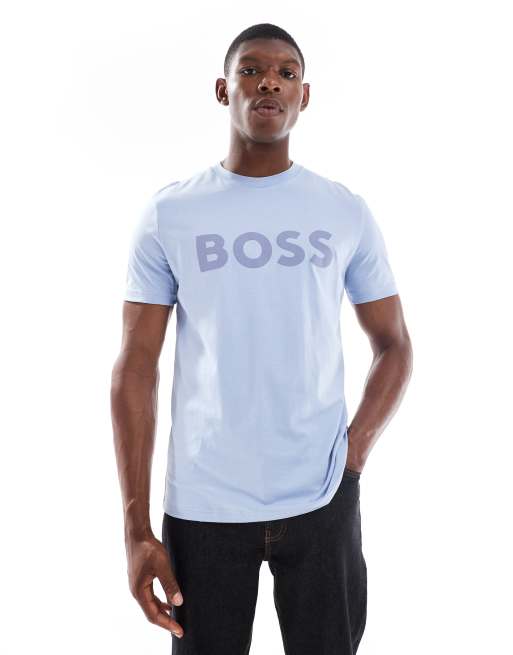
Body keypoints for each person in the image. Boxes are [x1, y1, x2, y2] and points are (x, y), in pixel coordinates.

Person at [111, 22, 413, 655]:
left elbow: (394, 344)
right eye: (251, 70)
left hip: (321, 498)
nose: (269, 82)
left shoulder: (342, 210)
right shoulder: (171, 214)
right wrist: (136, 529)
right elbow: (136, 366)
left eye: (285, 73)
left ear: (304, 95)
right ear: (224, 90)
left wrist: (352, 456)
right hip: (204, 506)